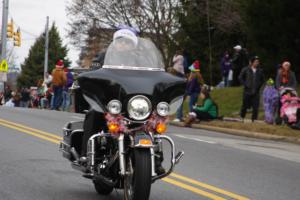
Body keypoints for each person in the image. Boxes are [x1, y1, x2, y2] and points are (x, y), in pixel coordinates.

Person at [239, 56, 265, 122]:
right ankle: (242, 117)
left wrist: (259, 86)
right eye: (256, 62)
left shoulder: (260, 71)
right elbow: (240, 77)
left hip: (256, 92)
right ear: (252, 62)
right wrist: (245, 84)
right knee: (244, 106)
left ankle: (254, 120)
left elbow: (262, 80)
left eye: (258, 62)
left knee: (255, 107)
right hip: (247, 91)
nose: (257, 63)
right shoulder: (246, 69)